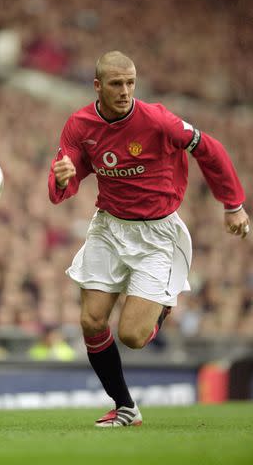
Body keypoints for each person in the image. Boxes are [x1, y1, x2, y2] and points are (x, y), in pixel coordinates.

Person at [48, 51, 249, 427]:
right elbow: (68, 176)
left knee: (134, 336)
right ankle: (126, 407)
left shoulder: (158, 120)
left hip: (157, 234)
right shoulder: (79, 125)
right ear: (97, 86)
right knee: (92, 322)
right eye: (116, 84)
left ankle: (163, 306)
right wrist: (61, 179)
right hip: (109, 227)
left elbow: (211, 149)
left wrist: (233, 204)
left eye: (130, 83)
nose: (125, 91)